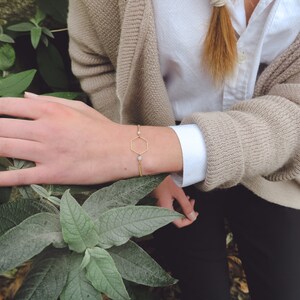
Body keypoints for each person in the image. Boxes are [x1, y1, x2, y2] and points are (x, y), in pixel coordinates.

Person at [0, 0, 299, 299]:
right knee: (201, 285)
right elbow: (95, 60)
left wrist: (134, 150)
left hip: (275, 169)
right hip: (167, 173)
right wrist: (151, 172)